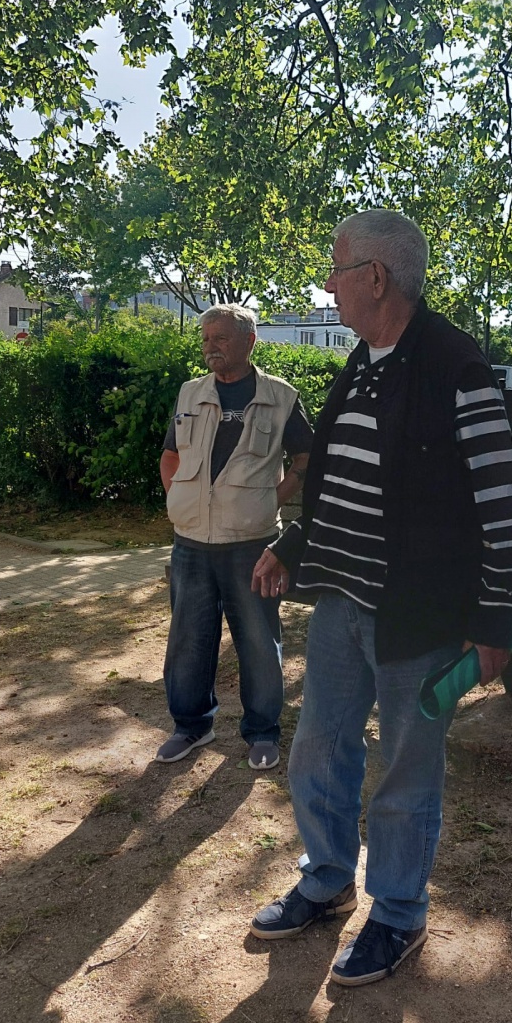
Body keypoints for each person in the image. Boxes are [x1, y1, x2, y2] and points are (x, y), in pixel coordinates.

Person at [248, 209, 512, 986]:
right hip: (342, 603)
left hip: (421, 619)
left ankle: (399, 915)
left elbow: (505, 507)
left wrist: (495, 616)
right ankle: (328, 878)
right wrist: (292, 545)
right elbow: (337, 485)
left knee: (407, 772)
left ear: (374, 277)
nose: (327, 284)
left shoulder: (455, 365)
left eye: (335, 269)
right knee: (319, 750)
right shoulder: (362, 360)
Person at [156, 304, 312, 768]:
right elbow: (170, 455)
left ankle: (262, 732)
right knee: (188, 640)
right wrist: (182, 499)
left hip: (253, 543)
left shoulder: (281, 397)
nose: (210, 346)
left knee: (260, 641)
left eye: (221, 338)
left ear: (250, 341)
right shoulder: (190, 393)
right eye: (206, 338)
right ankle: (191, 727)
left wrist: (275, 499)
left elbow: (306, 457)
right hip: (191, 544)